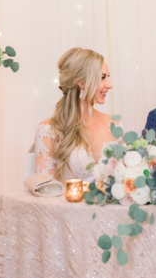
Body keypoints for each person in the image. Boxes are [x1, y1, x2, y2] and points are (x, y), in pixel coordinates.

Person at [34, 48, 117, 182]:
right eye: (102, 77)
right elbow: (45, 190)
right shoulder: (48, 130)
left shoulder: (114, 124)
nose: (110, 85)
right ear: (81, 82)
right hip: (69, 202)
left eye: (108, 77)